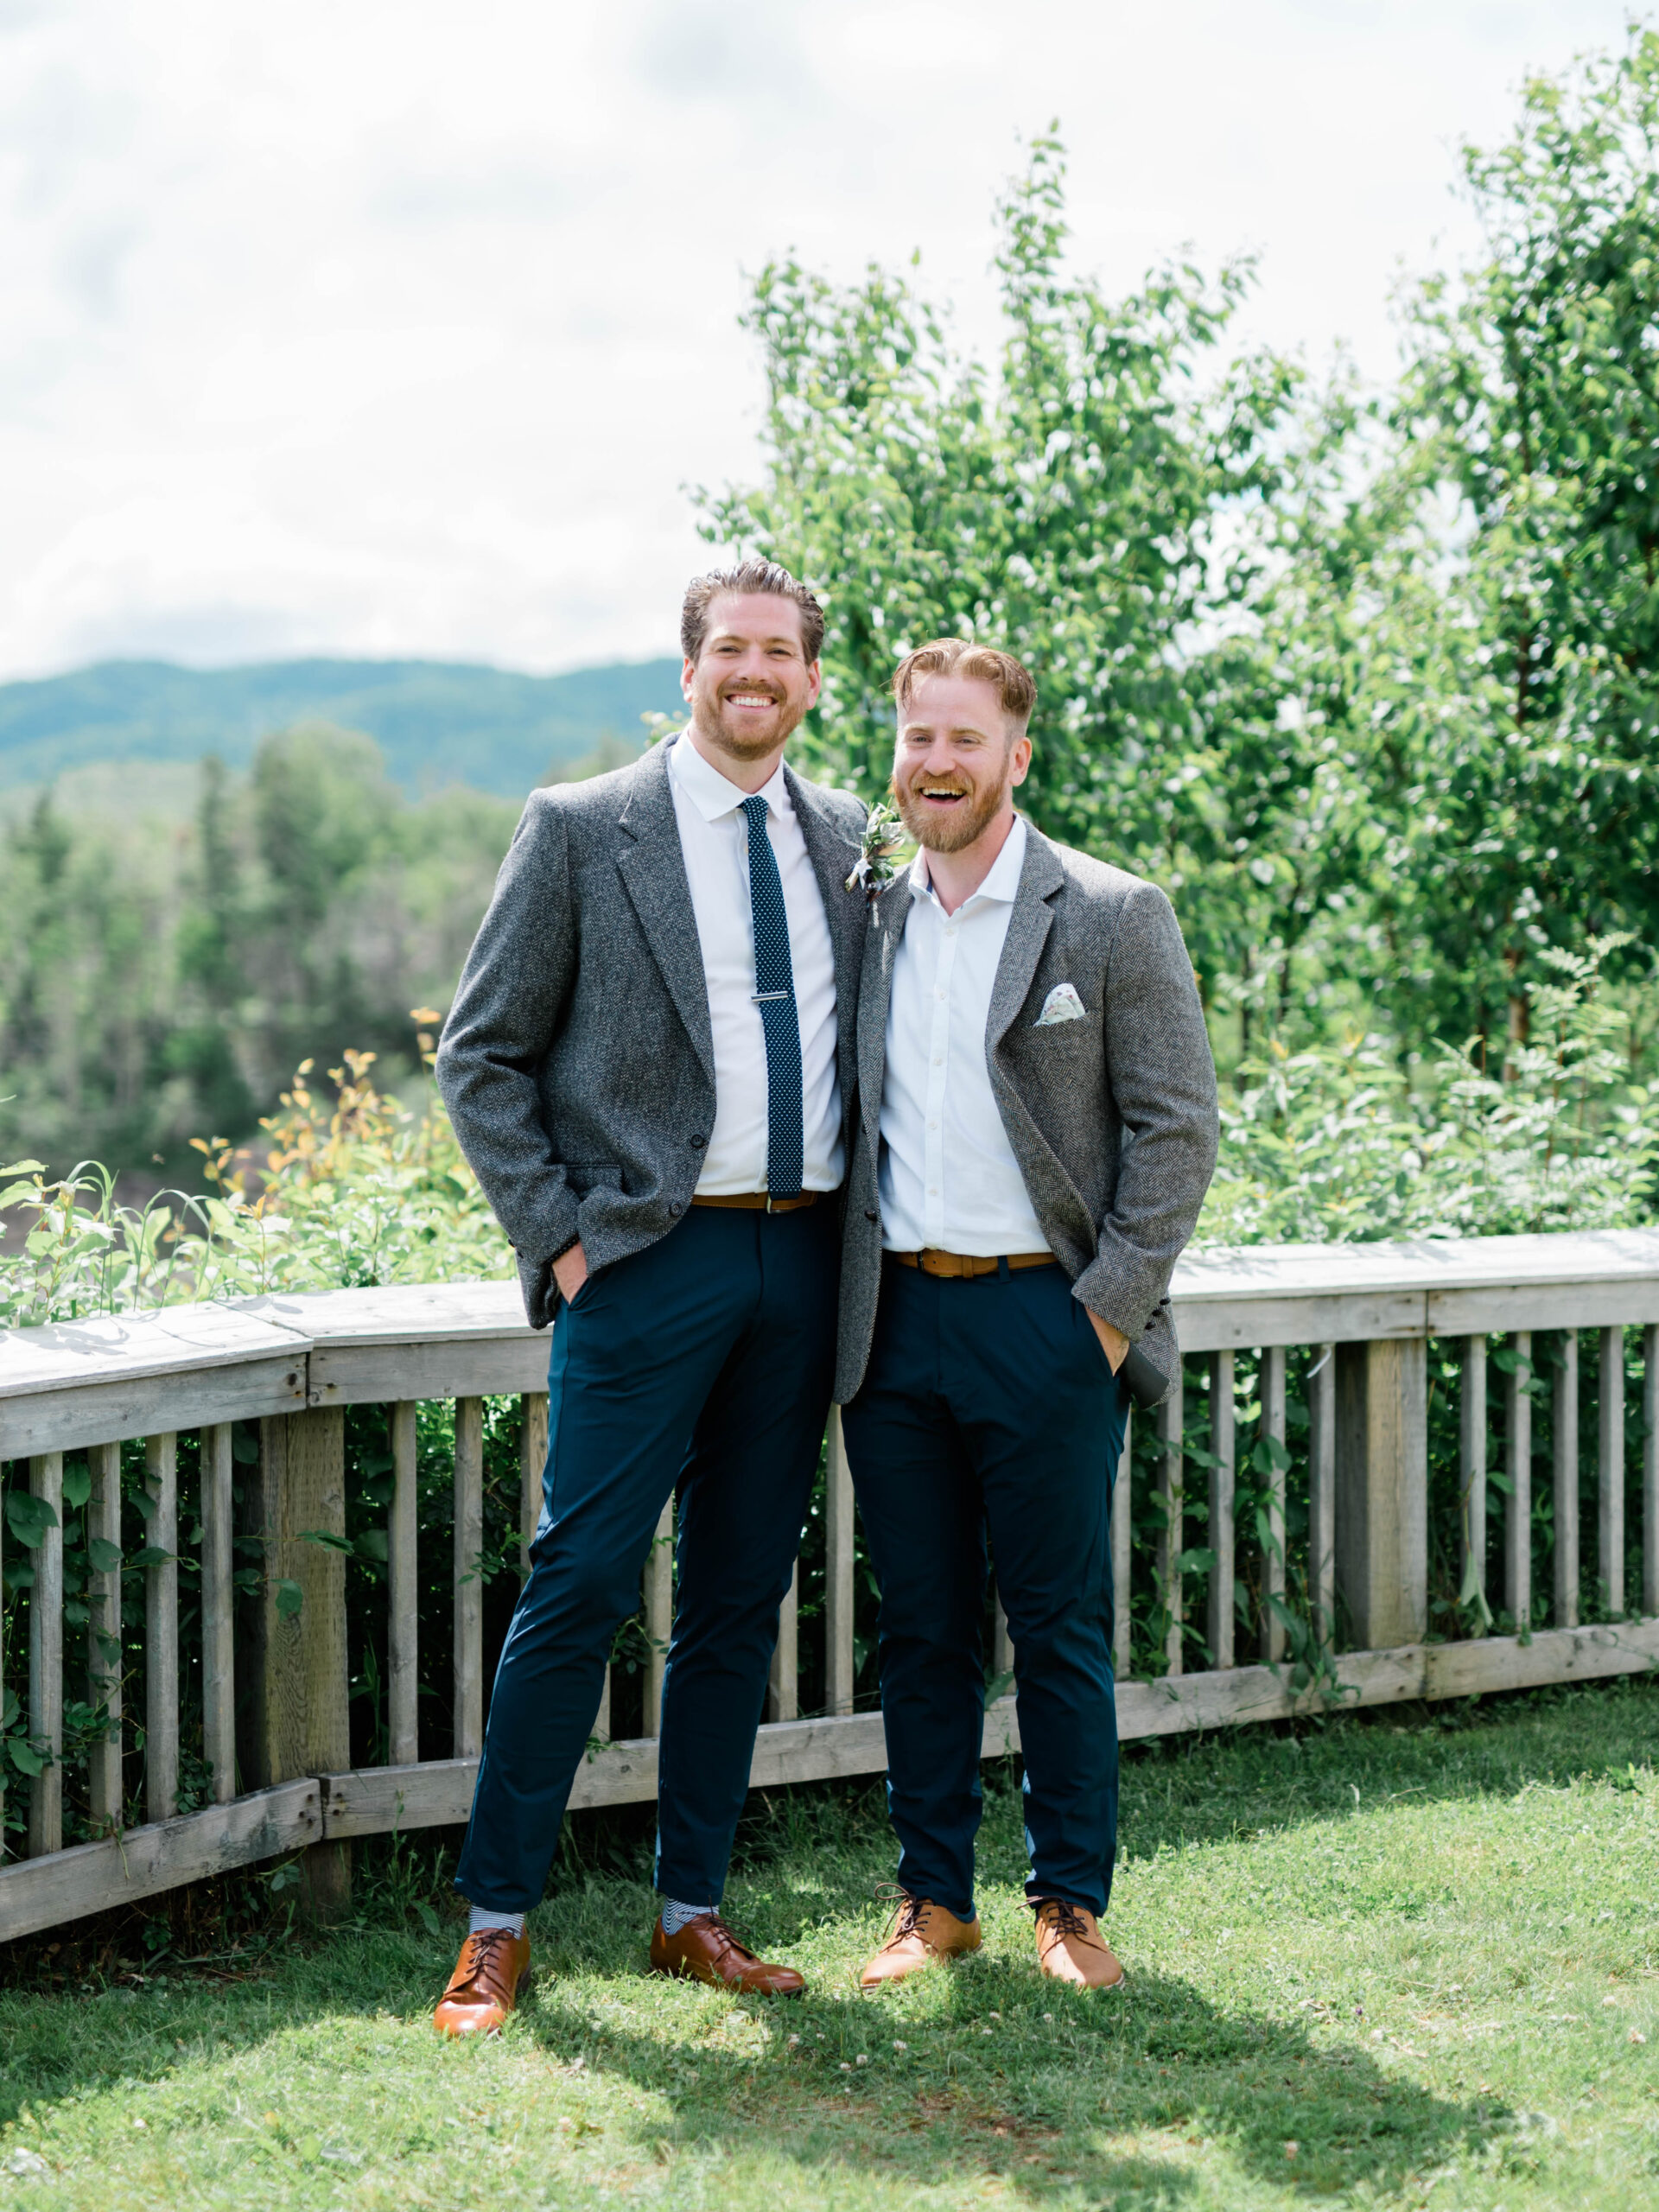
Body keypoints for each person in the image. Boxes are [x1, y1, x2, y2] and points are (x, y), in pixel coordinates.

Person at [430, 561, 868, 2033]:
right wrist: (561, 1240)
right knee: (580, 1587)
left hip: (803, 1258)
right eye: (728, 649)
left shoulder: (847, 840)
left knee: (739, 1597)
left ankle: (693, 1914)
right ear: (689, 670)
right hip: (640, 1262)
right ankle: (496, 1927)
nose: (754, 673)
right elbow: (480, 1053)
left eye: (780, 654)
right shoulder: (580, 828)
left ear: (811, 682)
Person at [837, 638, 1217, 1992]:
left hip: (1046, 1328)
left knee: (1058, 1627)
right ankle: (934, 1900)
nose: (938, 762)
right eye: (919, 738)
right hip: (891, 1333)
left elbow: (1176, 1133)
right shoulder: (870, 914)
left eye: (965, 739)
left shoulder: (1112, 915)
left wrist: (1102, 1322)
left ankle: (1070, 1907)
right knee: (924, 1630)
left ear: (1016, 756)